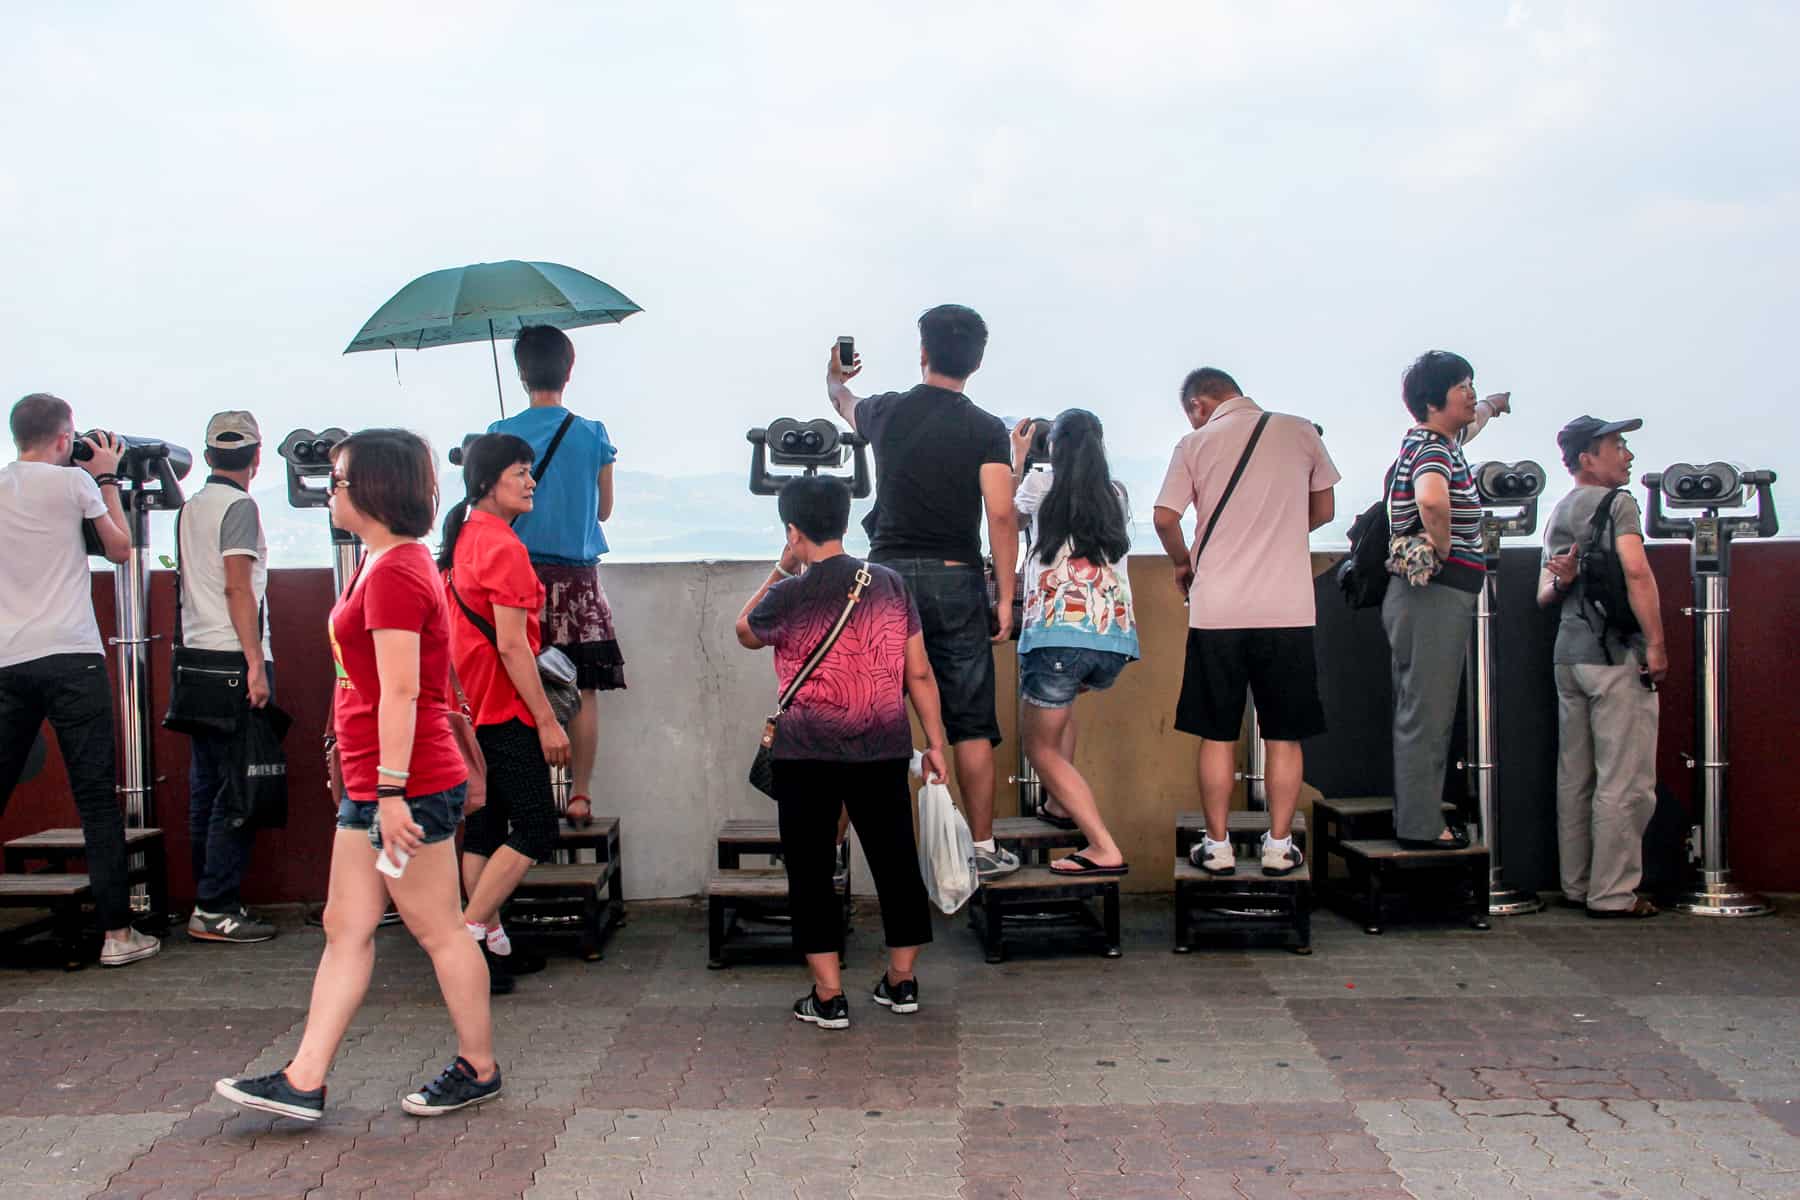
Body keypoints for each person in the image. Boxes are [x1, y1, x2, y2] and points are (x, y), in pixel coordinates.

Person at [216, 429, 500, 1122]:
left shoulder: (399, 573)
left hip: (406, 785)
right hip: (380, 784)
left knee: (438, 929)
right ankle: (304, 1078)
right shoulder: (383, 566)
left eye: (338, 481)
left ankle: (479, 1066)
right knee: (347, 925)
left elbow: (403, 693)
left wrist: (394, 793)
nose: (329, 492)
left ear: (372, 488)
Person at [735, 476, 946, 1030]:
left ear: (792, 529)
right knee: (895, 861)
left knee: (809, 868)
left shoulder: (788, 593)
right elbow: (918, 671)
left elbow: (744, 632)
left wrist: (783, 566)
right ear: (845, 522)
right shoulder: (889, 584)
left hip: (804, 752)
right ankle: (902, 983)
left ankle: (828, 996)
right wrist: (936, 743)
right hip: (881, 747)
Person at [826, 304, 1020, 879]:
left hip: (883, 580)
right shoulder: (988, 429)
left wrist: (835, 374)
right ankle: (981, 849)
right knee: (970, 721)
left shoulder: (886, 411)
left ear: (923, 353)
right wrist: (1005, 598)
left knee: (864, 718)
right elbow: (1002, 514)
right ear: (977, 362)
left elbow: (841, 402)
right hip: (956, 575)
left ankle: (833, 856)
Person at [1152, 369, 1339, 876]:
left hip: (1219, 612)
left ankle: (1217, 846)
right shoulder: (1301, 430)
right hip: (1288, 609)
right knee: (1285, 734)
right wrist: (1274, 527)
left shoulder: (1195, 442)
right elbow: (1324, 507)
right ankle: (1280, 846)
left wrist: (1181, 563)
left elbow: (1165, 517)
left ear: (1197, 404)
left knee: (1216, 733)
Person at [0, 394, 159, 967]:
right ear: (66, 439)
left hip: (8, 661)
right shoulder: (75, 486)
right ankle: (117, 936)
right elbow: (120, 549)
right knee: (95, 799)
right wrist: (108, 479)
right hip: (70, 656)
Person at [438, 434, 573, 991]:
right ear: (488, 480)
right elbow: (515, 648)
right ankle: (469, 934)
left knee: (485, 831)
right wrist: (547, 720)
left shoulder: (463, 538)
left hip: (466, 708)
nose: (531, 481)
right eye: (520, 471)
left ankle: (493, 947)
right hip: (504, 709)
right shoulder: (503, 548)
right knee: (538, 827)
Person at [488, 325, 626, 829]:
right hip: (578, 581)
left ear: (521, 374)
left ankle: (528, 796)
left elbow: (490, 516)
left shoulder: (499, 435)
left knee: (522, 687)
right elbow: (604, 511)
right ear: (569, 371)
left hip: (517, 579)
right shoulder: (592, 433)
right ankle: (581, 796)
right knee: (583, 687)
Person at [1537, 416, 1666, 918]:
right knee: (1625, 780)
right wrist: (1656, 644)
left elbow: (1545, 594)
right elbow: (1636, 569)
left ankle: (1578, 882)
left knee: (1576, 777)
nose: (1628, 454)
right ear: (1587, 459)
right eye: (1618, 445)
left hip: (1569, 658)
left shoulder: (1560, 511)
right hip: (1615, 658)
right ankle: (1613, 894)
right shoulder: (1619, 504)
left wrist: (1567, 579)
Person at [1380, 351, 1507, 849]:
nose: (1471, 393)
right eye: (1461, 386)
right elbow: (1432, 497)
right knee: (1427, 713)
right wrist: (1445, 547)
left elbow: (1470, 426)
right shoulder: (1434, 450)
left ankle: (1419, 816)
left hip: (1427, 597)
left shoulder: (1435, 442)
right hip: (1433, 593)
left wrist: (1494, 406)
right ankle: (1420, 825)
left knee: (1422, 706)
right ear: (1434, 402)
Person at [1012, 409, 1136, 875]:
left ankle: (1103, 846)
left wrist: (1018, 456)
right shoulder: (1116, 493)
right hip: (1112, 638)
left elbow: (1006, 514)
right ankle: (1060, 805)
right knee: (1062, 714)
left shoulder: (1042, 484)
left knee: (1037, 746)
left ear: (1054, 448)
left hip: (1058, 635)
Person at [177, 411, 278, 944]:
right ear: (257, 457)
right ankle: (217, 906)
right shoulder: (240, 506)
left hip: (195, 660)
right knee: (238, 790)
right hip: (233, 662)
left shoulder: (191, 507)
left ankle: (206, 898)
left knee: (206, 788)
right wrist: (255, 663)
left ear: (210, 455)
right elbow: (238, 588)